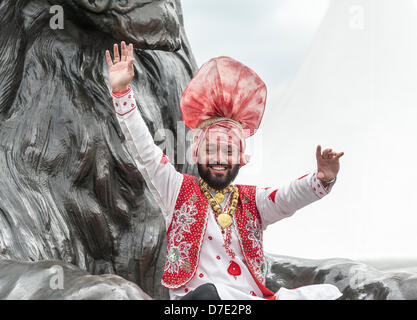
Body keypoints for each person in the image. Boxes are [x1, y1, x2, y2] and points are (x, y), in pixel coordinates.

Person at [105, 42, 344, 300]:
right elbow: (144, 151)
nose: (220, 159)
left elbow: (287, 197)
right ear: (196, 153)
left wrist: (322, 179)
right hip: (199, 304)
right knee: (207, 294)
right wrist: (121, 92)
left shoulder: (254, 202)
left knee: (328, 293)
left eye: (229, 152)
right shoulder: (175, 190)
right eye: (211, 150)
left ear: (241, 159)